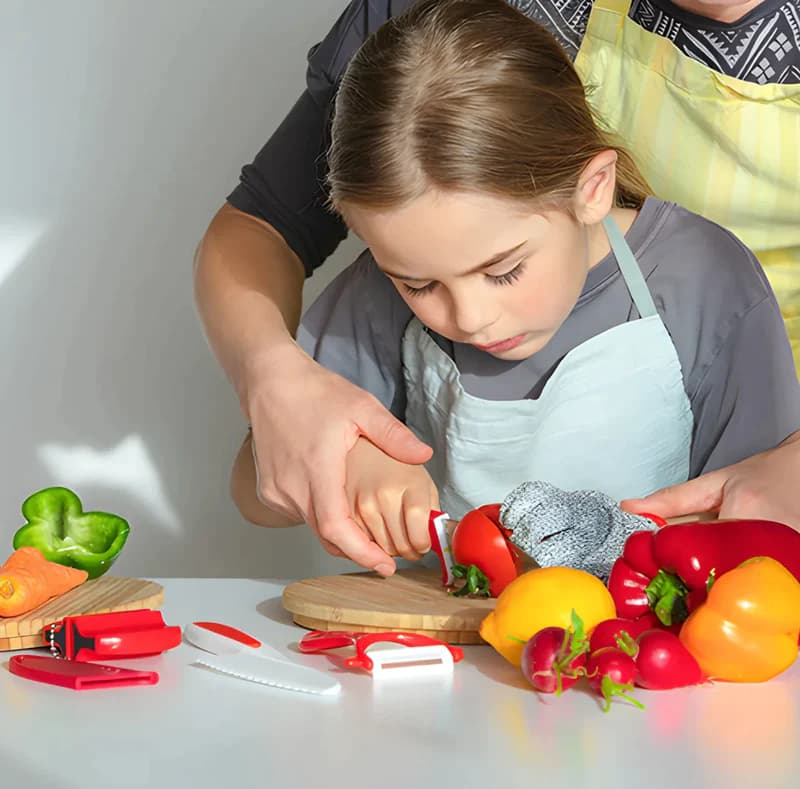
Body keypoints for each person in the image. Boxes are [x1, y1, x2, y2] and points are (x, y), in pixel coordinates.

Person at [194, 0, 800, 576]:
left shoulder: (706, 279)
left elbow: (757, 533)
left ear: (593, 188)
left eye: (505, 271)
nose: (472, 318)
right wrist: (336, 454)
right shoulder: (380, 296)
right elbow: (253, 490)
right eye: (419, 283)